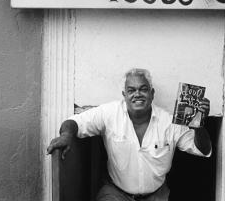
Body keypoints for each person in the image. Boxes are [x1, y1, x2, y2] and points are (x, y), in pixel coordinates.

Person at [47, 68, 211, 201]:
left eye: (143, 89)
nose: (137, 94)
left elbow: (202, 150)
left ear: (152, 94)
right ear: (124, 95)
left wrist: (198, 125)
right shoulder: (110, 113)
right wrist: (66, 135)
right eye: (131, 90)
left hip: (157, 195)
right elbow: (74, 122)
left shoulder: (169, 122)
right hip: (116, 194)